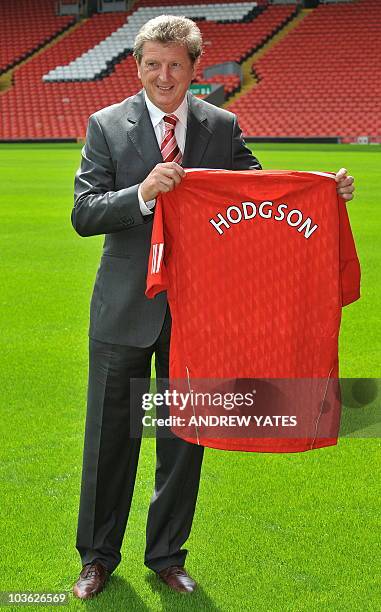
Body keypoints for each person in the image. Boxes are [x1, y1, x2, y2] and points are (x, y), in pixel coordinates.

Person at [71, 14, 355, 600]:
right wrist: (142, 194)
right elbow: (84, 212)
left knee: (184, 437)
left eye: (176, 65)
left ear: (195, 69)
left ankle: (167, 556)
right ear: (138, 66)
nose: (163, 75)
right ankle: (97, 558)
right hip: (124, 310)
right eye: (153, 63)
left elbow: (258, 194)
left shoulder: (220, 127)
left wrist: (324, 189)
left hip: (200, 314)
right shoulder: (106, 126)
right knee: (110, 438)